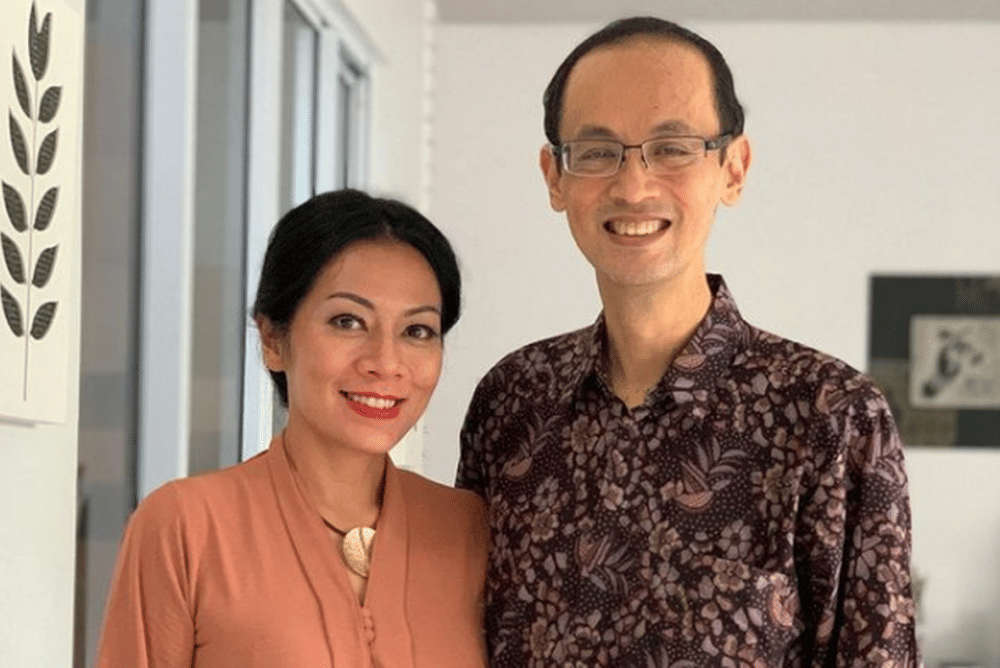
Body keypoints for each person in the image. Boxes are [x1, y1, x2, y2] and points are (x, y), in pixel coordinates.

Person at [457, 16, 919, 667]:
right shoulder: (511, 402)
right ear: (554, 177)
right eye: (596, 152)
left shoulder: (832, 417)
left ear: (734, 168)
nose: (633, 186)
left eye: (672, 148)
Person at [97, 189, 488, 667]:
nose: (386, 362)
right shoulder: (186, 528)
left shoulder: (470, 531)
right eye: (348, 322)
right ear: (273, 339)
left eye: (417, 331)